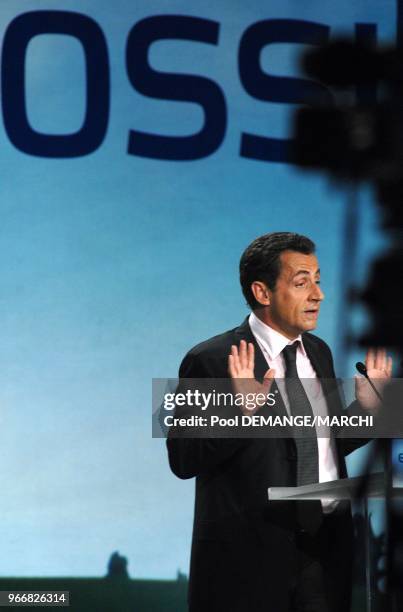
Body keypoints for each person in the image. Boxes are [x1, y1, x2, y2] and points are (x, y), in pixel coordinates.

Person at [167, 232, 392, 612]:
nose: (318, 295)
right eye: (302, 282)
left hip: (323, 554)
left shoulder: (319, 352)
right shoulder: (211, 358)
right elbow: (183, 458)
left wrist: (369, 412)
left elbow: (322, 445)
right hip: (249, 561)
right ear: (263, 292)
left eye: (318, 281)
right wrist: (243, 414)